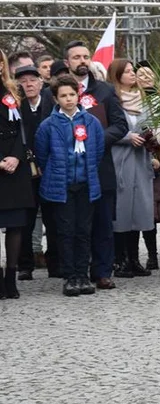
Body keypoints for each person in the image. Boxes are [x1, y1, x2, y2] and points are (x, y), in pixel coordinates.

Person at [38, 42, 127, 290]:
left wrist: (89, 144)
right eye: (76, 57)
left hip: (96, 170)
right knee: (67, 228)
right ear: (67, 62)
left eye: (86, 56)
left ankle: (98, 272)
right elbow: (43, 144)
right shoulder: (49, 100)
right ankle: (71, 274)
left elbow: (118, 127)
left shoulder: (106, 91)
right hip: (63, 177)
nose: (82, 60)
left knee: (97, 226)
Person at [35, 75, 105, 297]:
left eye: (72, 94)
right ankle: (69, 276)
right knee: (66, 232)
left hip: (85, 184)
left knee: (84, 231)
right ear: (56, 98)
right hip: (61, 187)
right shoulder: (48, 125)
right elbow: (42, 155)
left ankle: (83, 274)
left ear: (79, 95)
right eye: (63, 96)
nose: (68, 99)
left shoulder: (91, 122)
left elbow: (98, 151)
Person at [107, 58, 156, 280]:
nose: (132, 74)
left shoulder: (143, 97)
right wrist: (127, 137)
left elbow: (151, 124)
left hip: (141, 159)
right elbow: (107, 129)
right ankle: (120, 259)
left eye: (131, 70)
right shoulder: (112, 98)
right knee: (122, 210)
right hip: (121, 160)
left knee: (139, 210)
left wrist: (151, 136)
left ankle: (135, 258)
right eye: (127, 71)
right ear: (117, 75)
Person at [0, 55, 36, 300]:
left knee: (15, 225)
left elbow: (27, 129)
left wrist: (15, 156)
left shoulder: (15, 91)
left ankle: (11, 277)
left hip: (16, 164)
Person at [15, 65, 51, 282]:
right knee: (25, 220)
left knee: (54, 218)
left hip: (49, 167)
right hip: (25, 170)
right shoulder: (15, 107)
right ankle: (25, 265)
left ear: (40, 82)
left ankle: (56, 262)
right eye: (23, 81)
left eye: (32, 80)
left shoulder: (51, 103)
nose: (28, 84)